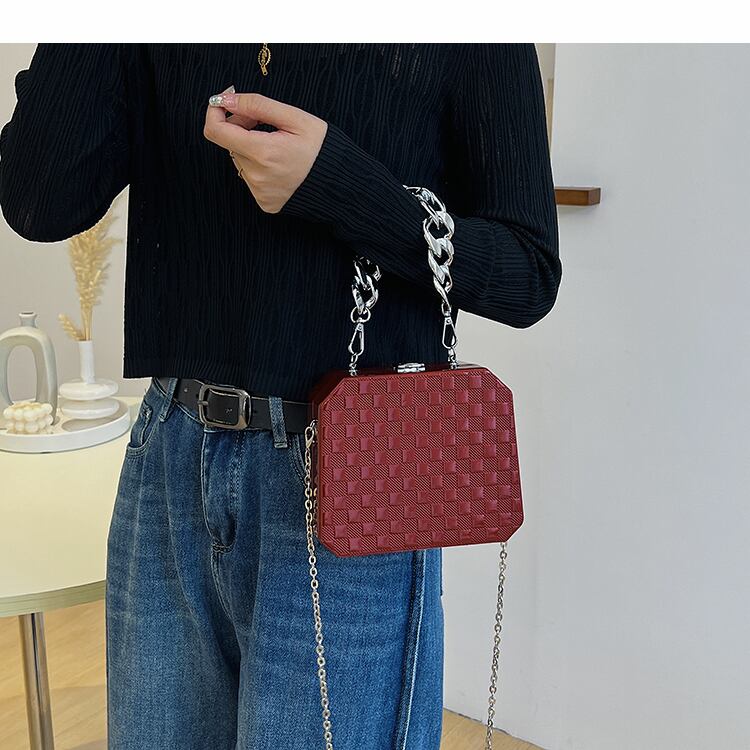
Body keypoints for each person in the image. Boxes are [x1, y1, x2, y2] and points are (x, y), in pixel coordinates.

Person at [0, 42, 561, 750]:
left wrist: (338, 185)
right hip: (170, 455)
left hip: (355, 477)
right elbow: (38, 199)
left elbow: (527, 272)